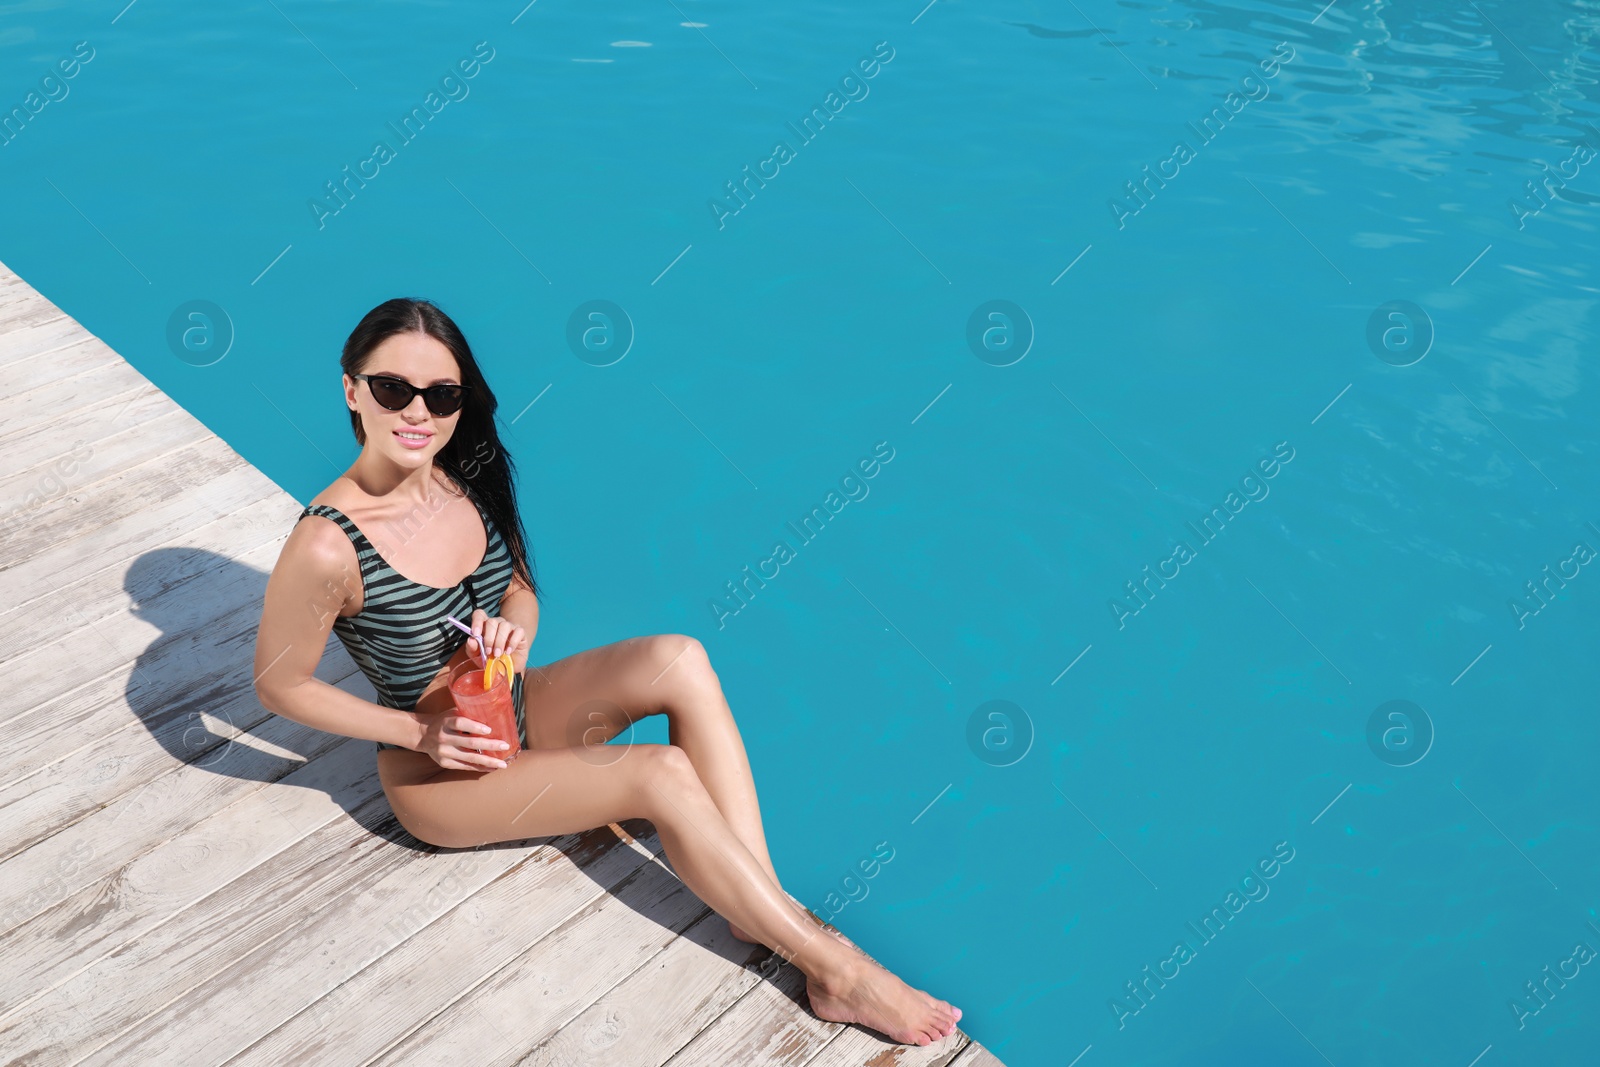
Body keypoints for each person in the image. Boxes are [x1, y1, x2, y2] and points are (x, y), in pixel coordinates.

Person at [253, 297, 962, 1045]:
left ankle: (755, 901)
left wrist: (514, 635)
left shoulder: (463, 477)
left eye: (443, 395)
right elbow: (278, 683)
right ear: (351, 390)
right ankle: (834, 971)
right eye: (394, 388)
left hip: (512, 709)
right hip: (439, 777)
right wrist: (420, 733)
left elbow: (519, 592)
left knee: (680, 656)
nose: (419, 412)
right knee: (658, 773)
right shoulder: (328, 545)